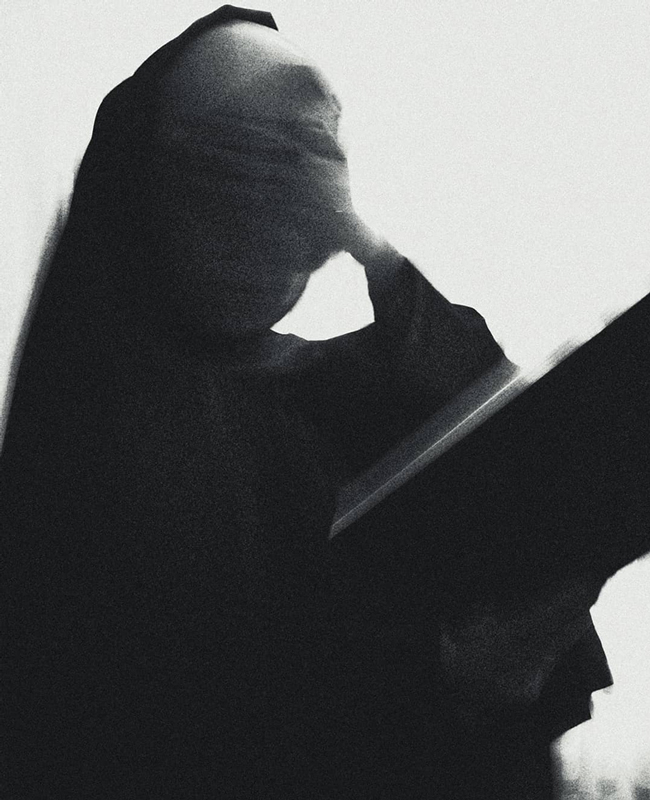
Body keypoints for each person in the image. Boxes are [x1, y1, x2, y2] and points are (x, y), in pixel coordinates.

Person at [0, 7, 613, 798]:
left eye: (321, 150)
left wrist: (375, 253)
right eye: (254, 155)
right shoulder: (94, 429)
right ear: (160, 180)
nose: (299, 192)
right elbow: (162, 724)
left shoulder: (339, 392)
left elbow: (528, 452)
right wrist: (445, 685)